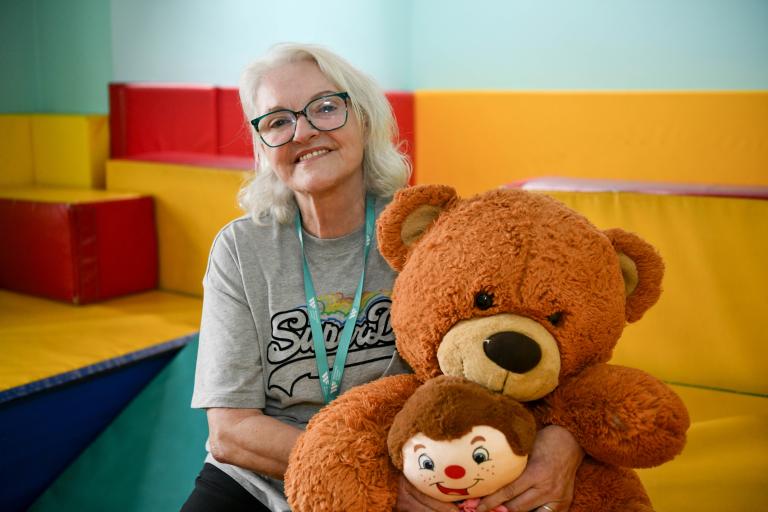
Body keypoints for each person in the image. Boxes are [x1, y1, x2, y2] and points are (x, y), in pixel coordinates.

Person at [182, 42, 583, 512]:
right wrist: (366, 475)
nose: (304, 131)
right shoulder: (240, 249)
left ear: (365, 120)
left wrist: (565, 441)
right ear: (263, 145)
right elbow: (230, 432)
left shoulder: (432, 235)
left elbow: (533, 354)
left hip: (414, 474)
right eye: (278, 121)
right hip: (262, 480)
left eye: (326, 107)